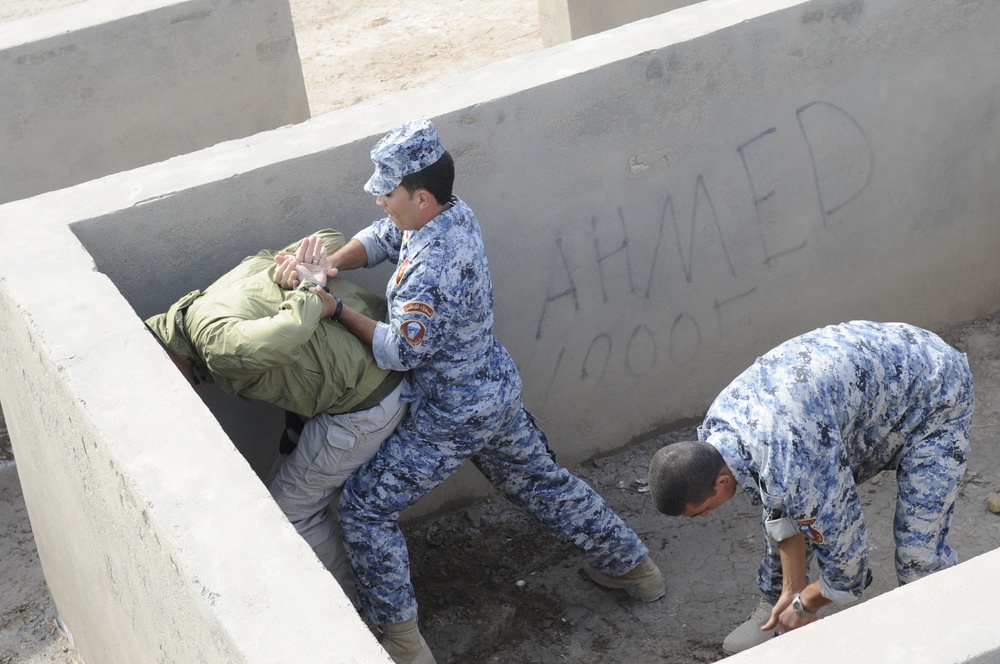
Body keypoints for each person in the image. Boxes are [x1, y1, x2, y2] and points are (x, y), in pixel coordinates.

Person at [280, 119, 664, 664]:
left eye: (387, 193)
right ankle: (634, 569)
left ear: (420, 195)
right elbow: (386, 236)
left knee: (365, 509)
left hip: (451, 411)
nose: (380, 201)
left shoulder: (433, 267)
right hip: (490, 389)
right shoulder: (447, 214)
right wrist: (328, 266)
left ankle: (403, 643)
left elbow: (401, 351)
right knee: (539, 483)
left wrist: (334, 307)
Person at [647, 320, 975, 655]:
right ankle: (777, 606)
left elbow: (849, 566)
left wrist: (806, 604)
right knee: (782, 506)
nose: (705, 517)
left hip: (934, 393)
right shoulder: (720, 431)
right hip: (877, 385)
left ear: (721, 481)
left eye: (703, 510)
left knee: (919, 556)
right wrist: (792, 590)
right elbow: (778, 506)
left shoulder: (794, 459)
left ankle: (944, 641)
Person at [146, 230, 406, 607]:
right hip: (382, 354)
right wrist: (300, 271)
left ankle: (356, 614)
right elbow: (328, 237)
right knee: (285, 484)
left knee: (290, 516)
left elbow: (293, 329)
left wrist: (308, 288)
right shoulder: (222, 289)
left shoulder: (216, 348)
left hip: (367, 401)